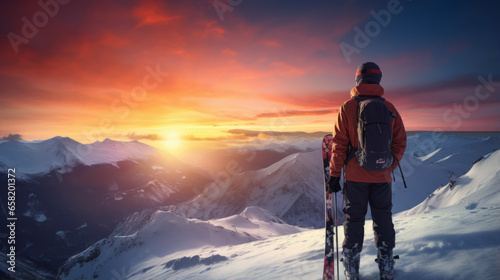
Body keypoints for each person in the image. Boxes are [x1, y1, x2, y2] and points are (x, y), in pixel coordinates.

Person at [326, 62, 407, 280]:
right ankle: (386, 263)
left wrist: (334, 175)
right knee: (383, 219)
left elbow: (339, 145)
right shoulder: (390, 109)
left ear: (357, 80)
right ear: (378, 80)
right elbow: (400, 142)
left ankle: (352, 267)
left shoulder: (347, 107)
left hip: (355, 177)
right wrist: (388, 165)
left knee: (354, 220)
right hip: (382, 177)